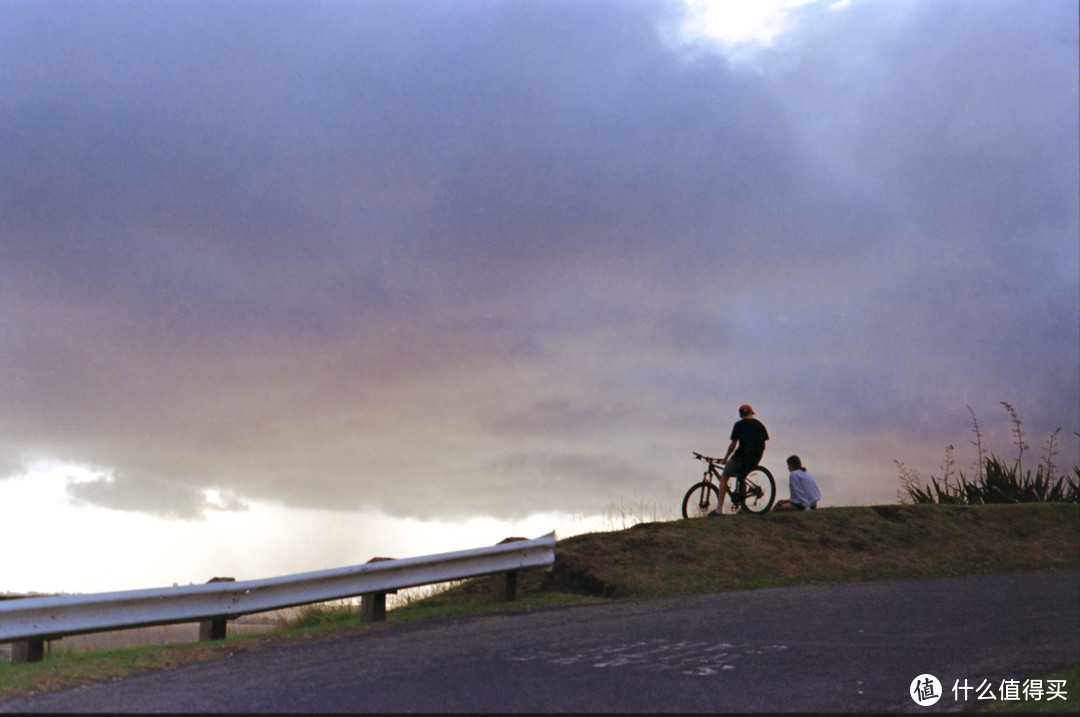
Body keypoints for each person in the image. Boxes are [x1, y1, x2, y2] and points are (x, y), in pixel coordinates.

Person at [710, 404, 769, 516]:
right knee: (743, 476)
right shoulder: (760, 425)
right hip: (755, 456)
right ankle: (743, 507)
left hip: (741, 455)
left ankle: (719, 509)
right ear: (751, 413)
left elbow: (733, 444)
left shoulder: (738, 424)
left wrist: (726, 458)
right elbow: (764, 445)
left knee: (724, 476)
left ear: (741, 414)